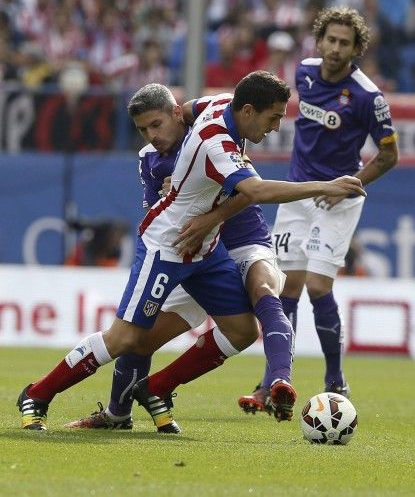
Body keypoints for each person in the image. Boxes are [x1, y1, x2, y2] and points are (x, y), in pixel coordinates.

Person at [17, 72, 365, 433]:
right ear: (247, 111)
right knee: (126, 338)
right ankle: (38, 394)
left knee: (242, 331)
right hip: (168, 246)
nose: (276, 126)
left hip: (207, 248)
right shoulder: (215, 142)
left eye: (157, 123)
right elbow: (256, 192)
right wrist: (327, 185)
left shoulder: (215, 106)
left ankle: (153, 389)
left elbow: (187, 107)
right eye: (273, 117)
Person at [237, 7, 398, 414]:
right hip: (297, 194)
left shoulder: (366, 95)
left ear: (356, 48)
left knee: (318, 287)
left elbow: (389, 154)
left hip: (337, 200)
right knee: (283, 288)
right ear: (319, 40)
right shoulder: (304, 74)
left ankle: (335, 381)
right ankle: (275, 382)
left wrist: (350, 185)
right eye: (331, 39)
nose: (335, 48)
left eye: (345, 42)